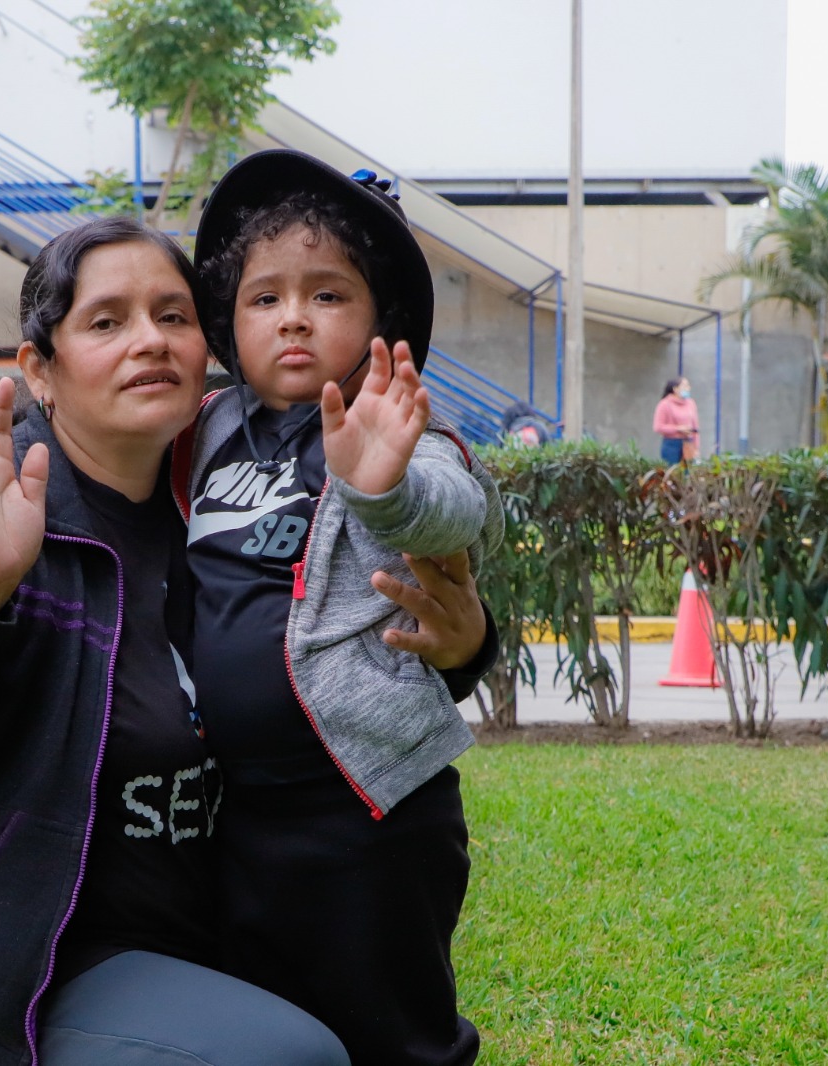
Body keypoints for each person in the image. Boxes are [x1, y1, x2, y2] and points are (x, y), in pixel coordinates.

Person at [0, 217, 491, 1066]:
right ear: (39, 371)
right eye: (104, 321)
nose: (149, 342)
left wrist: (465, 651)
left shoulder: (213, 507)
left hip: (194, 937)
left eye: (173, 316)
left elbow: (317, 655)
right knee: (291, 1057)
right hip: (12, 969)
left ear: (209, 350)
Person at [180, 149, 501, 1066]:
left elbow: (459, 504)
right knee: (269, 1027)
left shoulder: (395, 425)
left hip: (368, 815)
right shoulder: (206, 431)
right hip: (235, 817)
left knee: (390, 1030)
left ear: (378, 319)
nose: (293, 318)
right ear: (228, 322)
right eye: (263, 297)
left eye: (327, 295)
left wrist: (383, 488)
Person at [653, 377, 699, 465]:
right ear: (675, 389)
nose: (688, 388)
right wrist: (677, 429)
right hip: (671, 444)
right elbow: (658, 427)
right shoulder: (664, 404)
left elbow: (695, 427)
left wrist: (696, 447)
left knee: (688, 474)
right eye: (685, 386)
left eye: (688, 386)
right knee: (673, 473)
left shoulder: (691, 403)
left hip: (688, 443)